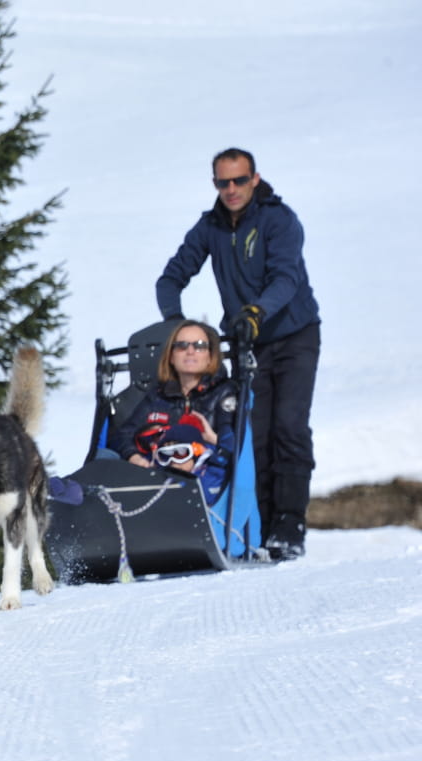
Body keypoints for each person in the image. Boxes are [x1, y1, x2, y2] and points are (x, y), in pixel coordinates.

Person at [156, 147, 320, 560]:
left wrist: (255, 312)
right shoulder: (210, 227)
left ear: (255, 179)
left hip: (294, 335)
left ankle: (289, 525)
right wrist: (177, 326)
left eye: (239, 181)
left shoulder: (279, 220)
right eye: (222, 182)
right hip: (248, 343)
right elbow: (170, 278)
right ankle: (259, 528)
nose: (231, 190)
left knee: (289, 427)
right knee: (253, 434)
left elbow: (286, 278)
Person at [107, 319, 238, 504]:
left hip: (205, 484)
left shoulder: (225, 393)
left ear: (210, 356)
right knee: (105, 459)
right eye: (182, 345)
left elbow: (239, 449)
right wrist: (135, 457)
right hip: (155, 475)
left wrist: (211, 440)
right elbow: (122, 436)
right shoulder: (158, 395)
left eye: (199, 346)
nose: (190, 351)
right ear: (171, 356)